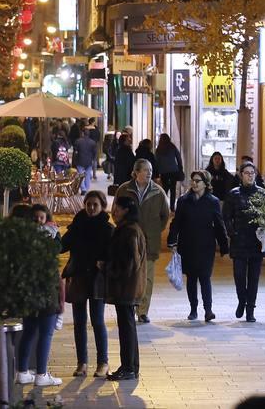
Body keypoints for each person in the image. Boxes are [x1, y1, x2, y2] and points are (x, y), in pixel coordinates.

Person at [61, 190, 112, 378]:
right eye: (88, 204)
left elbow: (113, 254)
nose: (91, 208)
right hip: (79, 276)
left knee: (98, 321)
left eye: (95, 205)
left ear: (102, 206)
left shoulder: (108, 229)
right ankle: (82, 363)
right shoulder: (77, 225)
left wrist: (105, 264)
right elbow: (62, 245)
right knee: (79, 322)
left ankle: (103, 362)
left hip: (97, 279)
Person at [167, 169, 229, 322]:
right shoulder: (183, 201)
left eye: (197, 181)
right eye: (192, 180)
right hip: (187, 245)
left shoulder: (212, 201)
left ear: (206, 184)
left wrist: (224, 245)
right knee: (192, 278)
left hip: (206, 245)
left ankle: (208, 310)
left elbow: (219, 224)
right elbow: (177, 223)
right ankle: (193, 309)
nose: (194, 183)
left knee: (205, 277)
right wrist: (172, 240)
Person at [116, 158, 170, 323]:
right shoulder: (124, 189)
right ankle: (130, 306)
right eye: (146, 170)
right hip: (128, 240)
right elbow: (116, 213)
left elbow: (164, 216)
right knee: (130, 274)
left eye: (151, 170)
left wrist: (154, 230)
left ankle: (143, 311)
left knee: (147, 278)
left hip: (149, 241)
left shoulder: (158, 192)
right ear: (136, 172)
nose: (149, 173)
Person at [15, 216, 63, 388]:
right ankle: (41, 373)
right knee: (45, 335)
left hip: (29, 297)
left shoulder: (23, 245)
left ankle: (22, 372)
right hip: (46, 298)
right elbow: (57, 281)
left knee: (28, 333)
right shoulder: (48, 247)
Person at [105, 194, 146, 382]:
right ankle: (130, 366)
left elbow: (130, 262)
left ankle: (129, 367)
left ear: (127, 210)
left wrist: (108, 269)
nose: (114, 211)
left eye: (118, 208)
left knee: (126, 327)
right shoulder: (127, 229)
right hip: (127, 286)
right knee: (127, 326)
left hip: (126, 287)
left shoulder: (129, 231)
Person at [223, 161, 265, 322]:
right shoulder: (234, 194)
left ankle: (251, 309)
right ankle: (242, 299)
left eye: (252, 173)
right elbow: (226, 217)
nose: (250, 175)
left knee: (254, 277)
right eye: (247, 172)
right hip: (239, 240)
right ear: (241, 175)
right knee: (239, 275)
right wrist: (231, 233)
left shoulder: (263, 194)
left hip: (257, 241)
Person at [155, 133, 184, 212]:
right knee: (173, 189)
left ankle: (163, 206)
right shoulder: (172, 147)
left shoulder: (159, 149)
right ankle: (172, 207)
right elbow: (178, 157)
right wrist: (180, 167)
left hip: (164, 172)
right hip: (173, 171)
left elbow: (157, 161)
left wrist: (157, 172)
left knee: (165, 189)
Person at [73, 127, 98, 193]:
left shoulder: (78, 141)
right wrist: (93, 160)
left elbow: (75, 152)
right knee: (87, 175)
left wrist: (74, 160)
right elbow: (95, 153)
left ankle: (83, 188)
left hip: (80, 160)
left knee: (80, 175)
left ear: (83, 133)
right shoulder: (93, 142)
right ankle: (86, 189)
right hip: (89, 161)